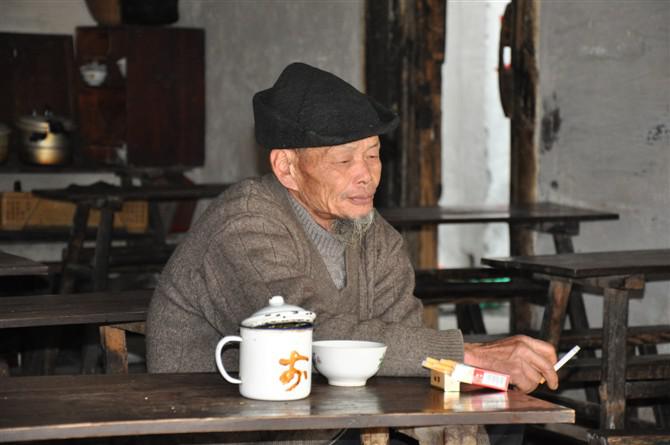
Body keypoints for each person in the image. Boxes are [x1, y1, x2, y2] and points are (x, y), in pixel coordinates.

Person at [146, 62, 559, 445]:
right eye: (344, 160)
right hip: (233, 432)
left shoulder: (377, 238)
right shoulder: (244, 224)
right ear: (287, 167)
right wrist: (468, 355)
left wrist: (457, 411)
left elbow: (407, 347)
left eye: (373, 154)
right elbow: (311, 333)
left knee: (503, 424)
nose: (367, 175)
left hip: (332, 419)